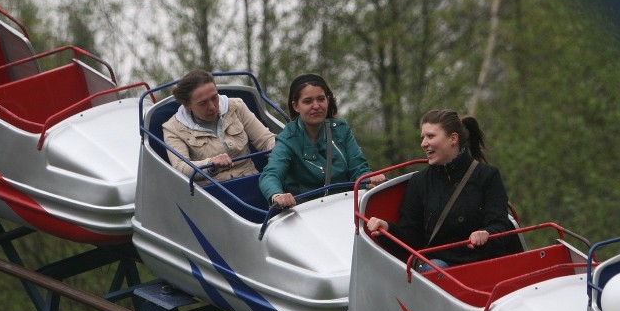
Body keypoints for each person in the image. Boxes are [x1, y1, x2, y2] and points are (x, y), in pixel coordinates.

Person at [366, 109, 517, 269]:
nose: (424, 143)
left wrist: (486, 234)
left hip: (485, 261)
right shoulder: (419, 182)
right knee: (433, 269)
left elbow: (500, 226)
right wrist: (387, 229)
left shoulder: (487, 175)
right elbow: (412, 238)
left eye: (430, 136)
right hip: (442, 268)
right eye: (423, 137)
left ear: (453, 139)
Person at [258, 73, 384, 207]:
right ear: (296, 106)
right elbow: (271, 174)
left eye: (321, 99)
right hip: (306, 211)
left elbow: (358, 168)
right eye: (308, 101)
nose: (316, 106)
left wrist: (369, 177)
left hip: (345, 204)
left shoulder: (341, 129)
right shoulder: (287, 139)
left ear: (327, 100)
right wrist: (277, 195)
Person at [163, 69, 276, 183]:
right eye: (203, 103)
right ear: (188, 105)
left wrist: (280, 148)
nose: (212, 106)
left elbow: (265, 140)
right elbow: (180, 168)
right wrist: (210, 164)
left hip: (251, 180)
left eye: (214, 98)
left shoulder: (236, 106)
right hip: (211, 191)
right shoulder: (173, 129)